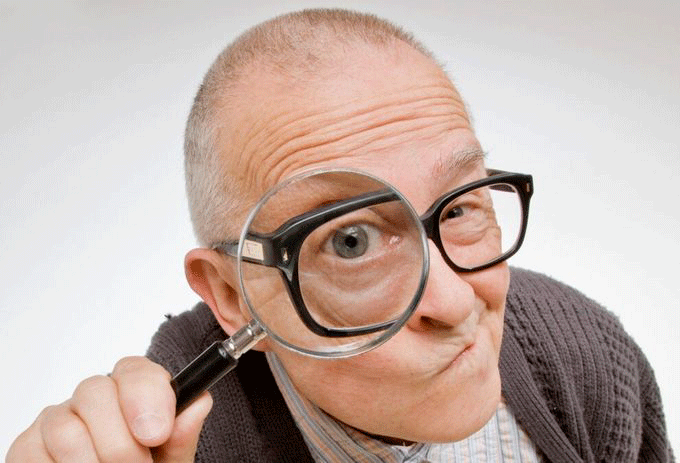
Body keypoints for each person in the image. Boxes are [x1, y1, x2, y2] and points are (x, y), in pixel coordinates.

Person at [6, 8, 673, 463]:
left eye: (459, 208)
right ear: (234, 294)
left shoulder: (585, 358)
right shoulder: (186, 448)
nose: (455, 303)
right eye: (351, 241)